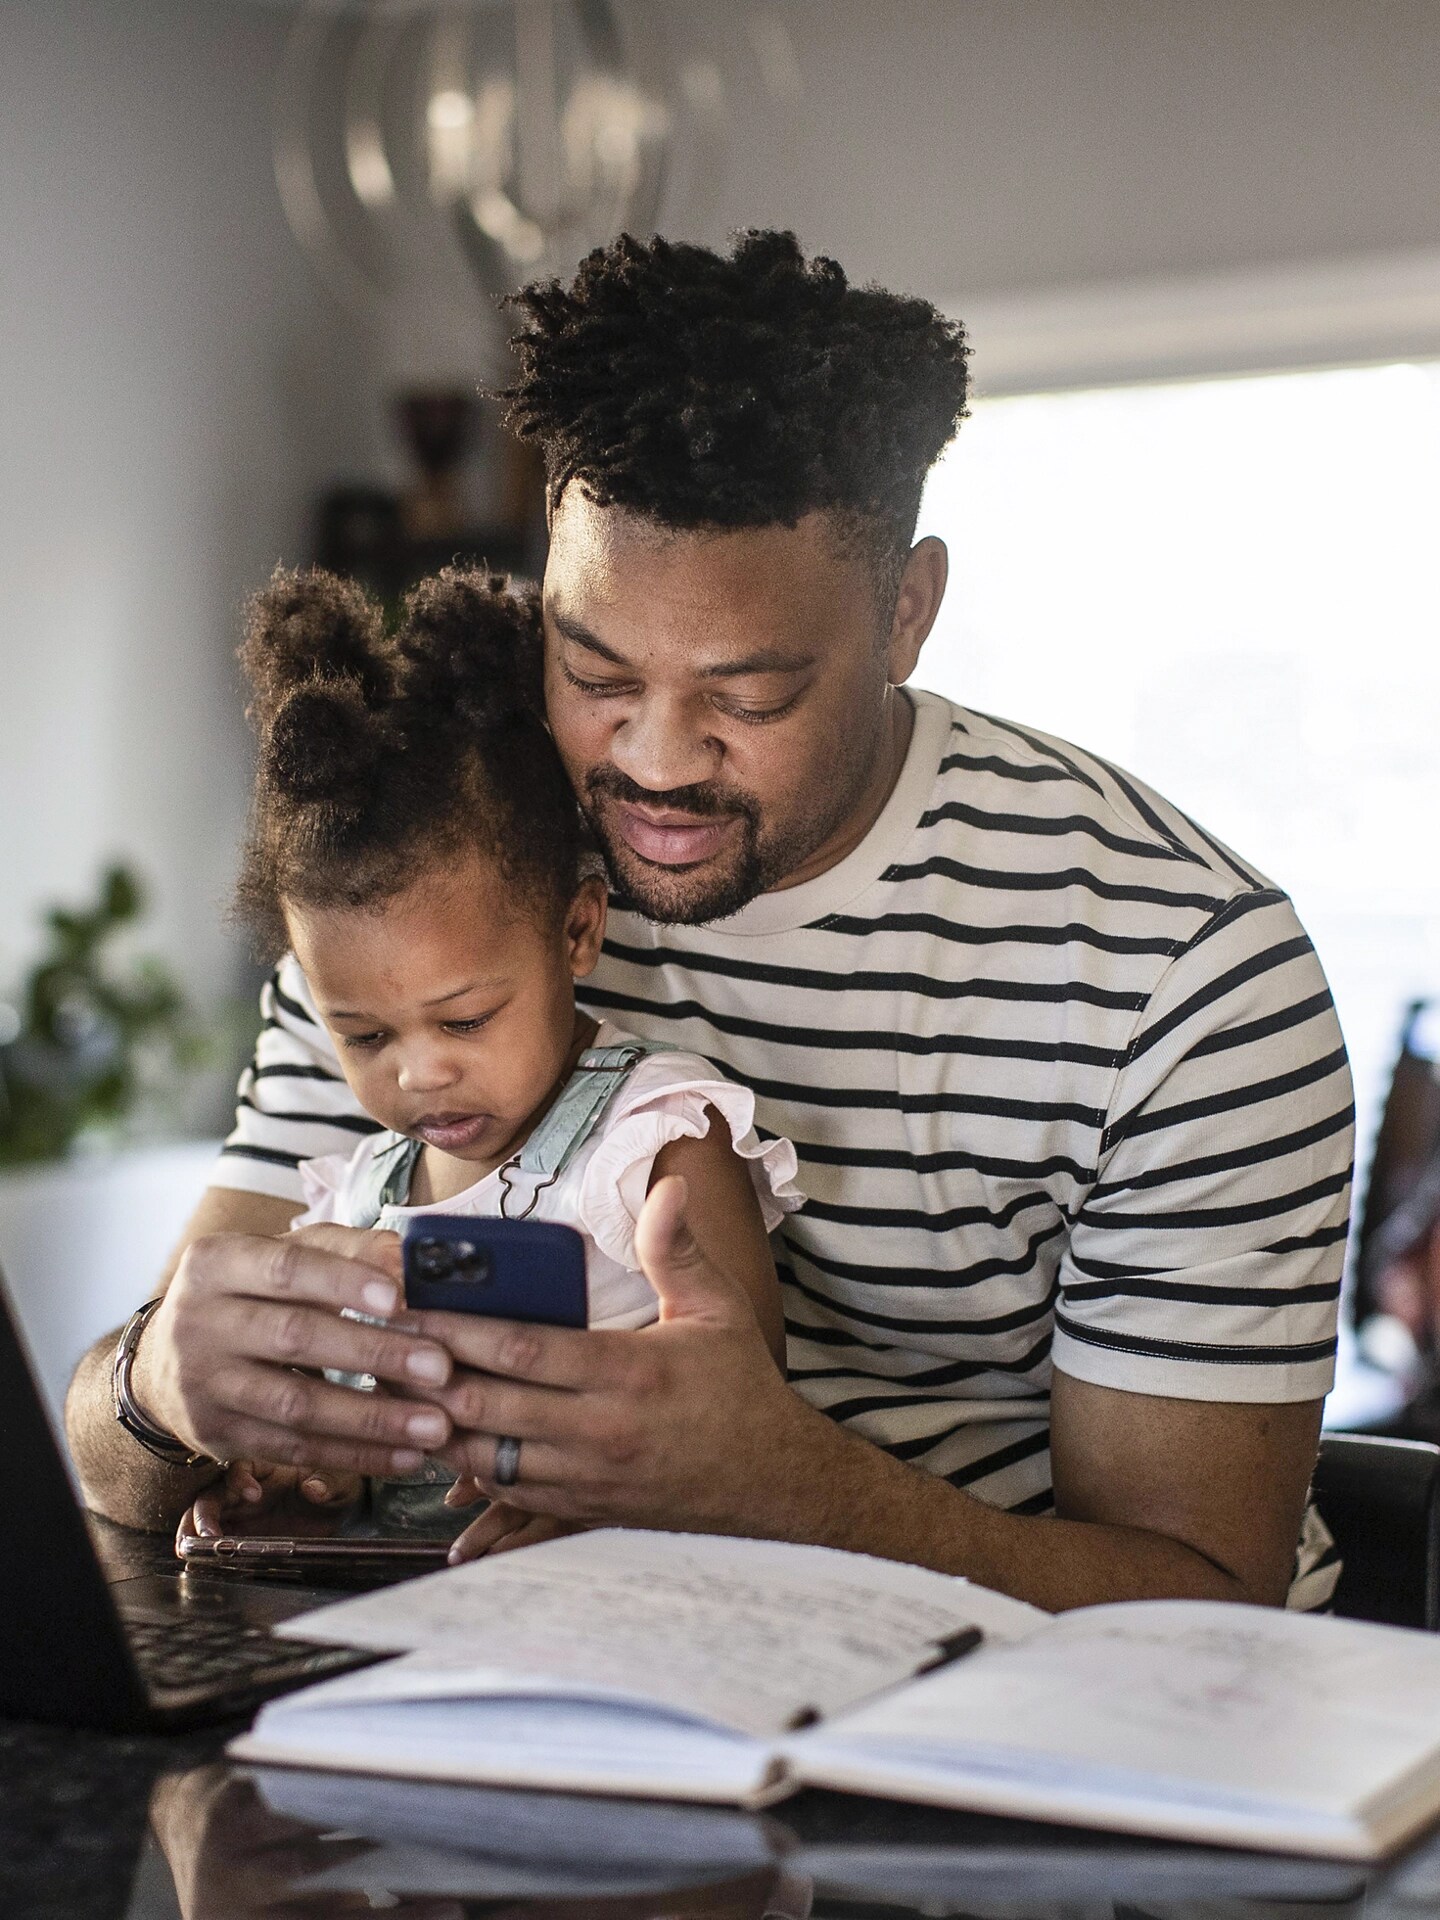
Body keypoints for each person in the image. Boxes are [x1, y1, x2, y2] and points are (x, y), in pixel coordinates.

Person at [67, 230, 1353, 1613]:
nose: (659, 762)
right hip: (529, 1667)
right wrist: (160, 1387)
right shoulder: (443, 881)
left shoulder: (1180, 972)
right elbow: (113, 1465)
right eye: (594, 667)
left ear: (907, 612)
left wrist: (783, 1489)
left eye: (751, 696)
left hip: (1003, 1729)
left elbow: (1206, 1613)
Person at [190, 564, 797, 1558]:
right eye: (365, 1036)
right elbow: (349, 1436)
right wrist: (304, 1480)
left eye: (464, 1020)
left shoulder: (654, 1146)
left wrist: (603, 1499)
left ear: (576, 934)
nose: (419, 1075)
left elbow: (745, 1426)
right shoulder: (357, 1199)